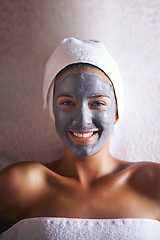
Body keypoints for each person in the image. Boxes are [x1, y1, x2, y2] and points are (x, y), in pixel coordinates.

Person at [0, 37, 159, 239]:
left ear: (117, 112)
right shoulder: (20, 184)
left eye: (98, 103)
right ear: (53, 111)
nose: (82, 120)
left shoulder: (154, 183)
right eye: (67, 103)